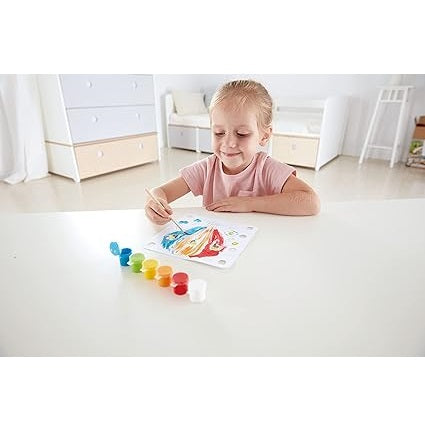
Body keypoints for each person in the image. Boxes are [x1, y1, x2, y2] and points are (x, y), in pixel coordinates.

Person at [145, 79, 320, 225]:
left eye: (242, 134)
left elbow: (311, 202)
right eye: (219, 133)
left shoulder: (267, 169)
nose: (228, 143)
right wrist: (156, 204)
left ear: (264, 136)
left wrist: (249, 204)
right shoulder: (206, 168)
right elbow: (159, 192)